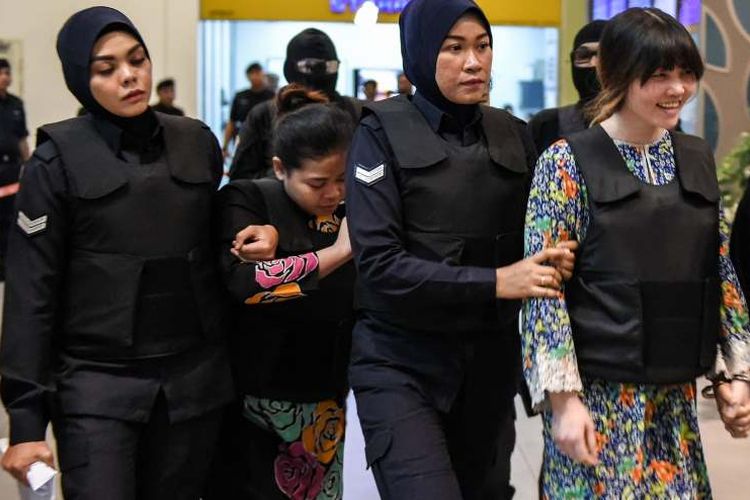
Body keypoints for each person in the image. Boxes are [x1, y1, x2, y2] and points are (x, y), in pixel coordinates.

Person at [345, 1, 576, 498]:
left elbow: (542, 242)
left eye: (482, 45)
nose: (474, 62)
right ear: (422, 52)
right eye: (454, 48)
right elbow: (380, 264)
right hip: (400, 361)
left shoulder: (515, 135)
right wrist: (497, 281)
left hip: (489, 365)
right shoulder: (377, 134)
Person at [0, 7, 233, 499]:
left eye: (138, 60)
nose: (129, 76)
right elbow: (30, 295)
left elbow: (222, 252)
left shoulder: (195, 142)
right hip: (97, 389)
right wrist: (25, 422)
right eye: (106, 69)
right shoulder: (54, 162)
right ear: (80, 80)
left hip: (194, 386)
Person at [522, 8, 750, 498]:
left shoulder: (695, 157)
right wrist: (563, 402)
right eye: (659, 75)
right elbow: (543, 292)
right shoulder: (565, 162)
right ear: (618, 75)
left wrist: (734, 374)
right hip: (598, 398)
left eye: (687, 73)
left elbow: (721, 270)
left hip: (676, 397)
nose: (678, 89)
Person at [204, 84, 355, 499]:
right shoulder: (246, 199)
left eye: (342, 179)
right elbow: (246, 285)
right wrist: (339, 252)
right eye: (318, 182)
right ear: (279, 168)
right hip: (254, 395)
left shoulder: (353, 207)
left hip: (324, 395)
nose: (334, 193)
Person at [229, 29, 361, 181]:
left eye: (329, 66)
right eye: (309, 66)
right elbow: (240, 181)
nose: (321, 73)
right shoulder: (264, 115)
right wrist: (288, 181)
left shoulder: (356, 112)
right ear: (291, 68)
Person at [528, 20, 607, 154]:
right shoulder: (546, 125)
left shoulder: (640, 129)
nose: (594, 64)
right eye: (584, 56)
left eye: (603, 55)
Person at [0, 58, 30, 281]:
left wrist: (28, 164)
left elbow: (22, 138)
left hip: (11, 169)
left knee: (11, 217)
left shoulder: (16, 104)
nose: (5, 78)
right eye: (1, 73)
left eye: (8, 73)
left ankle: (7, 265)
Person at [222, 62, 274, 158]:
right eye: (252, 73)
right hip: (243, 139)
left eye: (257, 73)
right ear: (247, 76)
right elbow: (231, 122)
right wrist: (225, 147)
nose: (255, 76)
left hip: (266, 141)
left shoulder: (272, 96)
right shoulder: (240, 96)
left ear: (263, 74)